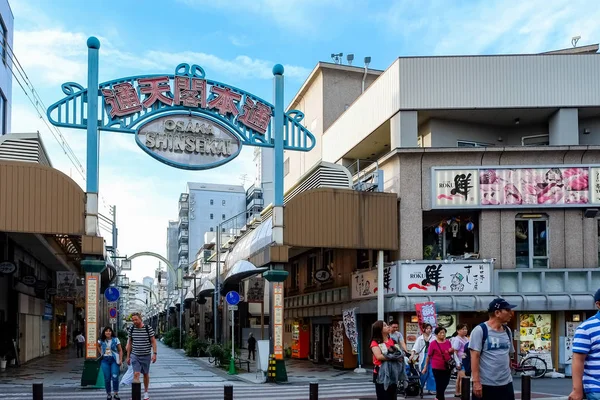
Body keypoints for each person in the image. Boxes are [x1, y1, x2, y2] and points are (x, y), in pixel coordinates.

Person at [470, 298, 516, 400]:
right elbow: (475, 357)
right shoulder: (480, 330)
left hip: (506, 384)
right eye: (507, 310)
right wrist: (476, 382)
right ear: (497, 313)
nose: (511, 313)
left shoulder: (507, 331)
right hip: (486, 384)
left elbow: (508, 354)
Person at [569, 288, 600, 400]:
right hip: (596, 389)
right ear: (598, 304)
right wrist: (577, 391)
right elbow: (578, 359)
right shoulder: (586, 328)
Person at [126, 312, 157, 400]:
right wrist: (128, 356)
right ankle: (135, 394)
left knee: (146, 374)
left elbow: (153, 341)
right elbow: (130, 343)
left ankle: (146, 392)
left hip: (146, 355)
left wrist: (154, 354)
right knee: (136, 374)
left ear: (140, 319)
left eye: (136, 319)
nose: (134, 322)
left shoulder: (148, 328)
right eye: (133, 320)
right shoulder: (131, 329)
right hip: (135, 355)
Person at [370, 320, 402, 399]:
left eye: (387, 325)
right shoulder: (375, 342)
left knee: (393, 396)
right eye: (384, 325)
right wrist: (393, 357)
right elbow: (379, 356)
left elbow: (398, 353)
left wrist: (397, 356)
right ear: (379, 329)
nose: (388, 326)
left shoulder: (393, 341)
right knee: (383, 396)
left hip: (393, 371)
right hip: (381, 372)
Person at [422, 327, 455, 400]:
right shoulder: (433, 343)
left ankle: (437, 397)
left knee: (445, 383)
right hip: (437, 367)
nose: (442, 334)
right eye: (440, 333)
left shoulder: (448, 342)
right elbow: (429, 356)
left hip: (447, 366)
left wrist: (451, 351)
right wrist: (425, 367)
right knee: (439, 384)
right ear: (436, 334)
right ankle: (440, 398)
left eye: (444, 332)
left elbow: (450, 353)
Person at [97, 327, 123, 400]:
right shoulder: (101, 340)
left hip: (114, 360)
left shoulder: (115, 339)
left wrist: (120, 359)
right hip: (105, 360)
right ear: (104, 332)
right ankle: (108, 394)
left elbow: (120, 350)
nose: (108, 332)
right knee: (107, 378)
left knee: (115, 376)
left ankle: (116, 393)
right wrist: (101, 353)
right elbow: (98, 346)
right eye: (106, 331)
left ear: (111, 332)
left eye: (109, 331)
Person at [412, 323, 435, 395]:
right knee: (423, 373)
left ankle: (431, 389)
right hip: (424, 357)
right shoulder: (420, 338)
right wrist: (412, 355)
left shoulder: (434, 338)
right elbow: (415, 348)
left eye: (430, 329)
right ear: (424, 329)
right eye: (427, 328)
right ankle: (420, 387)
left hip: (432, 357)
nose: (429, 330)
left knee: (432, 373)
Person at [452, 324, 469, 397]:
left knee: (459, 378)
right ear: (458, 331)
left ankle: (457, 392)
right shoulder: (457, 339)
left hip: (465, 360)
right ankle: (463, 393)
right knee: (463, 378)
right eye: (463, 329)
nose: (465, 330)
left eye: (466, 329)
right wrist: (457, 363)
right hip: (460, 361)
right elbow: (454, 351)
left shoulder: (466, 338)